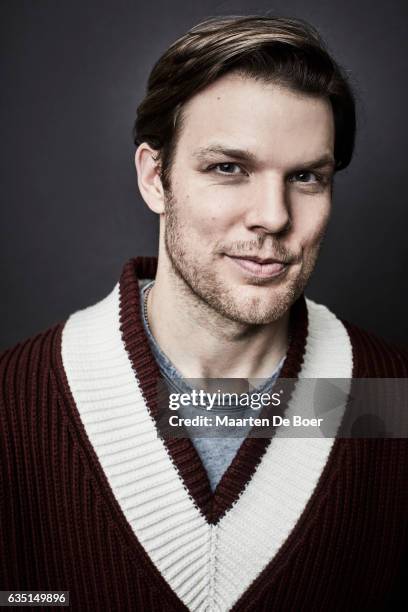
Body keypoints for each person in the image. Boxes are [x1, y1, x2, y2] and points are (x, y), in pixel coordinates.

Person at [1, 15, 407, 612]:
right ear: (154, 178)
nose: (273, 216)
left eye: (306, 177)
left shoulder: (389, 399)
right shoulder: (14, 400)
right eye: (228, 168)